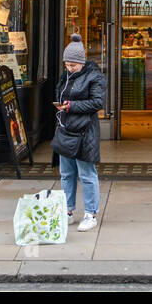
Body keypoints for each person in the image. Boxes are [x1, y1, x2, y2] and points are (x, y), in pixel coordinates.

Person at [54, 34, 105, 232]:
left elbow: (97, 103)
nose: (69, 69)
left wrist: (71, 106)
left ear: (82, 62)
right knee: (66, 173)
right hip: (66, 129)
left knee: (86, 173)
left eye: (73, 65)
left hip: (85, 131)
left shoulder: (95, 77)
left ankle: (90, 214)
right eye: (67, 65)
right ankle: (67, 211)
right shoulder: (65, 76)